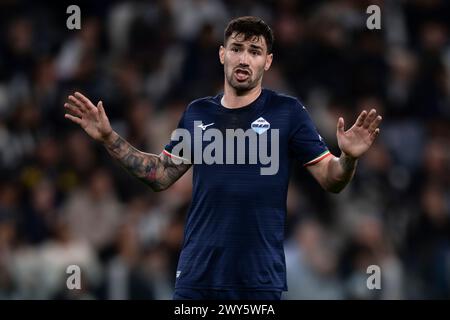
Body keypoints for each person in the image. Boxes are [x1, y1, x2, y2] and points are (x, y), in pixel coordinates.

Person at [64, 16, 382, 300]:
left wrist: (349, 159)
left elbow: (331, 179)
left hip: (258, 278)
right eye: (237, 48)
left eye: (254, 51)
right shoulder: (197, 113)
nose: (244, 58)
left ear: (267, 62)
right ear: (222, 54)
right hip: (198, 276)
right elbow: (160, 175)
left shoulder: (288, 113)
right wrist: (108, 137)